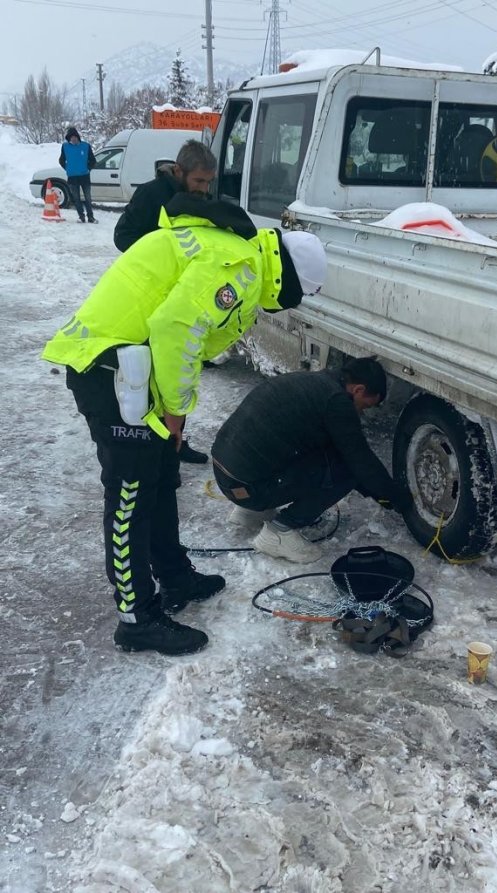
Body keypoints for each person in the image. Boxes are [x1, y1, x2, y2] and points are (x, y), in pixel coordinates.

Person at [42, 195, 328, 655]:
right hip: (112, 372)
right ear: (288, 278)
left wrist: (176, 409)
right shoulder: (237, 263)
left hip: (133, 374)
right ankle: (136, 618)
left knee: (159, 478)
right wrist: (176, 411)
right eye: (295, 296)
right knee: (130, 496)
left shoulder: (233, 250)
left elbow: (187, 343)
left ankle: (174, 576)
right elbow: (177, 327)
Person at [211, 357, 413, 564]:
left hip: (228, 476)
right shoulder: (337, 402)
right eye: (365, 406)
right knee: (347, 472)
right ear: (359, 390)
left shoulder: (314, 383)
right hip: (249, 488)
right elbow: (360, 462)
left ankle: (251, 511)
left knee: (324, 454)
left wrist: (377, 492)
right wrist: (398, 499)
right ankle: (279, 532)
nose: (362, 412)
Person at [113, 138, 218, 465]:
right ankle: (151, 443)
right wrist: (155, 258)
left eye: (208, 182)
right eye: (198, 180)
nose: (203, 188)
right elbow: (122, 236)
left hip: (182, 298)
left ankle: (175, 440)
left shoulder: (198, 199)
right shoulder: (151, 195)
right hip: (148, 299)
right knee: (149, 374)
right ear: (178, 170)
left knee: (177, 373)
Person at [59, 126, 97, 223]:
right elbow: (61, 160)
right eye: (71, 137)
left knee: (88, 198)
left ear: (78, 137)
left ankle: (91, 217)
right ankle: (81, 217)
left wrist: (87, 169)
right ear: (68, 138)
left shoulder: (85, 146)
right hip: (72, 178)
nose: (73, 138)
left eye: (75, 136)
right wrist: (68, 168)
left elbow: (93, 160)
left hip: (84, 176)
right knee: (76, 199)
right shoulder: (65, 147)